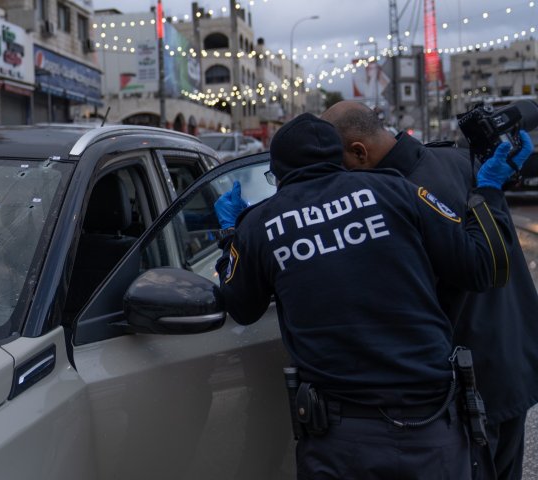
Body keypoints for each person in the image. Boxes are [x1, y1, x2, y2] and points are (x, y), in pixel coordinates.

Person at [213, 113, 529, 479]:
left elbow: (241, 306)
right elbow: (481, 267)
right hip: (430, 424)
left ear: (279, 172)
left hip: (341, 438)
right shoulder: (397, 189)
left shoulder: (260, 224)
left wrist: (229, 235)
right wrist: (487, 189)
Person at [322, 100, 538, 480]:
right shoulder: (463, 161)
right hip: (513, 360)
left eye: (339, 162)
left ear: (359, 151)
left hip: (467, 385)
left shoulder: (392, 198)